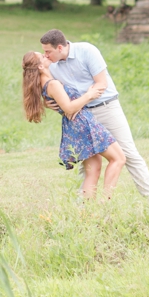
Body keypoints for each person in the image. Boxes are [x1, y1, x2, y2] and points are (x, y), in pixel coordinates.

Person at [40, 28, 149, 200]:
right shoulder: (53, 66)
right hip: (82, 115)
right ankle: (83, 208)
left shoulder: (87, 51)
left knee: (129, 154)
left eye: (48, 51)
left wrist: (74, 104)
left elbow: (101, 84)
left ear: (60, 47)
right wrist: (50, 102)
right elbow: (53, 89)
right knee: (88, 164)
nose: (46, 55)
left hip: (107, 107)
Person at [21, 51, 126, 200]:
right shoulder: (53, 84)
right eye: (42, 57)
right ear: (39, 66)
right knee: (118, 159)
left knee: (94, 168)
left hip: (75, 125)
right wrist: (90, 94)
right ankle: (106, 203)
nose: (46, 56)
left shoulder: (45, 83)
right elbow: (69, 108)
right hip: (83, 123)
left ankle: (86, 210)